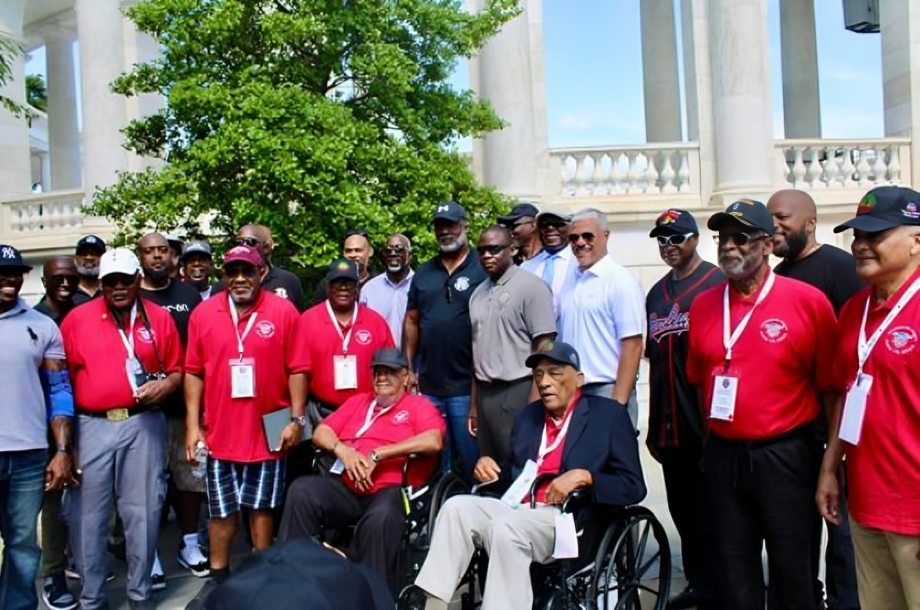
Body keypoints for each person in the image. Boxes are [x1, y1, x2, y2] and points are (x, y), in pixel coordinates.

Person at [414, 341, 646, 610]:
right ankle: (434, 604)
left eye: (554, 373)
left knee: (506, 528)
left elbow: (633, 486)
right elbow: (514, 470)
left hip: (566, 518)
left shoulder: (607, 416)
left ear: (579, 379)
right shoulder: (529, 417)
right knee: (456, 507)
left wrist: (586, 476)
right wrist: (489, 466)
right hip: (517, 505)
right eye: (538, 375)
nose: (544, 382)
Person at [686, 199, 837, 610]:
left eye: (741, 239)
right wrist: (710, 448)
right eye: (723, 239)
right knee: (733, 569)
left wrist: (828, 465)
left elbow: (831, 390)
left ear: (768, 244)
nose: (729, 248)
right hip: (724, 454)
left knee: (793, 571)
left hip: (786, 455)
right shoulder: (701, 306)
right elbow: (701, 382)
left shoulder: (807, 301)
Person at [61, 248, 184, 610]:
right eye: (109, 281)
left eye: (125, 280)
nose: (118, 287)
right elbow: (62, 384)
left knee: (143, 512)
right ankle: (92, 598)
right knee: (88, 518)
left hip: (143, 423)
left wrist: (168, 385)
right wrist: (67, 445)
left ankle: (139, 595)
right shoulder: (77, 320)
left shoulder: (158, 318)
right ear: (100, 284)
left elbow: (178, 369)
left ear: (137, 281)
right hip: (92, 425)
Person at [817, 186, 920, 610]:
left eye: (875, 235)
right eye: (857, 235)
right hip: (866, 504)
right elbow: (845, 395)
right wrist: (829, 469)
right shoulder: (854, 310)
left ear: (916, 239)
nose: (860, 245)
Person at [185, 245, 303, 591]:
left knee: (262, 508)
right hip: (220, 427)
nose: (239, 279)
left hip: (271, 423)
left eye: (247, 271)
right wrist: (192, 426)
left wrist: (296, 419)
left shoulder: (283, 311)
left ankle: (260, 575)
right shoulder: (204, 314)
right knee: (221, 510)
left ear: (261, 273)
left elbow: (298, 368)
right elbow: (193, 372)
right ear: (223, 276)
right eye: (232, 272)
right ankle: (218, 577)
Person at [767, 189, 864, 610]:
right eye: (769, 217)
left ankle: (846, 602)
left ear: (810, 222)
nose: (773, 225)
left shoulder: (842, 269)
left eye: (782, 217)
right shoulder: (778, 274)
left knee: (841, 529)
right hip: (795, 430)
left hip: (839, 422)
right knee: (798, 530)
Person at [279, 348, 444, 589]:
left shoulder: (418, 406)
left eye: (390, 372)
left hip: (389, 489)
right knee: (301, 491)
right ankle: (296, 580)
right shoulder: (359, 401)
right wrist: (343, 451)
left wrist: (380, 454)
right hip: (347, 485)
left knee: (380, 519)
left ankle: (369, 594)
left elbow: (433, 440)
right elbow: (320, 432)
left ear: (406, 377)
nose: (381, 377)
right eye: (377, 372)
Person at [644, 209, 724, 610]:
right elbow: (654, 363)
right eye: (662, 239)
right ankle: (697, 584)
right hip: (669, 428)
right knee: (685, 515)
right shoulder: (656, 294)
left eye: (676, 238)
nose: (668, 246)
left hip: (706, 427)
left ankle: (724, 588)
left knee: (716, 516)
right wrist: (653, 424)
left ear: (694, 239)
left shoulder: (715, 283)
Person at [0, 245, 77, 610]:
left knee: (22, 543)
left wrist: (62, 451)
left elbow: (59, 391)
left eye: (15, 272)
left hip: (29, 454)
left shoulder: (41, 325)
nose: (10, 280)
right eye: (2, 272)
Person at [136, 232, 209, 580]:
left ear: (172, 255)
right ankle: (148, 551)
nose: (156, 257)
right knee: (149, 483)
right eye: (149, 251)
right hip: (145, 410)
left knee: (189, 478)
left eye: (162, 250)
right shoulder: (132, 296)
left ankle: (189, 543)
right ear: (140, 257)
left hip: (186, 406)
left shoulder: (188, 294)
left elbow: (201, 345)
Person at [404, 201, 487, 481]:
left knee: (471, 462)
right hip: (430, 387)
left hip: (468, 388)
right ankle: (438, 519)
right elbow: (412, 320)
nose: (445, 232)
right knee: (437, 465)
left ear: (465, 226)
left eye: (451, 225)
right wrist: (407, 368)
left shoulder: (482, 268)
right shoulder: (424, 273)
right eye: (440, 227)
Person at [469, 226, 556, 463]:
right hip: (485, 392)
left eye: (494, 249)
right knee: (491, 469)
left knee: (519, 464)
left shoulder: (532, 287)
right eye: (482, 250)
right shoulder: (477, 293)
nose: (487, 255)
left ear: (512, 249)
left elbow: (545, 346)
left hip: (519, 387)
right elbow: (477, 353)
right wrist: (475, 406)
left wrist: (536, 399)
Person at [557, 207, 645, 429]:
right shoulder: (570, 281)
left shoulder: (619, 281)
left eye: (588, 236)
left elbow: (632, 345)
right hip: (573, 392)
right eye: (574, 237)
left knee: (611, 462)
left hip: (607, 390)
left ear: (605, 235)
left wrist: (618, 403)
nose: (580, 242)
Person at [291, 259, 396, 427]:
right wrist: (297, 418)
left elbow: (392, 371)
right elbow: (299, 372)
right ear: (327, 286)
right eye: (337, 283)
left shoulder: (376, 322)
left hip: (368, 412)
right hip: (322, 414)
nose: (343, 288)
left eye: (349, 283)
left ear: (357, 287)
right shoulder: (307, 321)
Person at [32, 257, 81, 610]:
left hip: (86, 420)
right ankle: (53, 573)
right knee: (51, 505)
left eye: (70, 278)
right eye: (57, 278)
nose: (64, 283)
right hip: (41, 426)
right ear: (46, 280)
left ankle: (77, 563)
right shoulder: (34, 320)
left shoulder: (87, 313)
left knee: (80, 503)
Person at [213, 224, 304, 311]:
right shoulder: (223, 286)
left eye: (249, 242)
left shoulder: (288, 280)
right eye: (238, 243)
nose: (243, 247)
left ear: (267, 247)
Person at [360, 234, 414, 348]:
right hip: (378, 359)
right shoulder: (369, 289)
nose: (393, 254)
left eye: (399, 250)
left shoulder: (420, 285)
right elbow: (361, 327)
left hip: (415, 359)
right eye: (388, 251)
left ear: (409, 255)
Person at [520, 206, 574, 318]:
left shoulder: (580, 265)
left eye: (557, 223)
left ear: (571, 227)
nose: (550, 227)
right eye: (544, 224)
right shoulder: (526, 268)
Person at [312, 228, 376, 304]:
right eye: (348, 251)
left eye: (358, 250)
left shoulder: (378, 284)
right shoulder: (328, 284)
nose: (353, 255)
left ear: (370, 252)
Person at [73, 235, 106, 305]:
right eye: (84, 254)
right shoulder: (67, 291)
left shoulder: (110, 289)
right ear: (75, 259)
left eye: (95, 254)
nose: (89, 258)